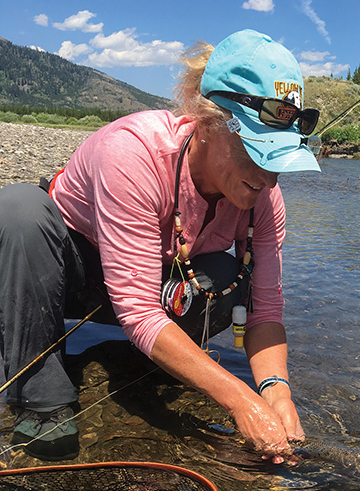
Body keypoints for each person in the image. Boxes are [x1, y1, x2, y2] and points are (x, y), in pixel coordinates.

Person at [0, 29, 322, 462]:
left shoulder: (264, 199)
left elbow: (266, 309)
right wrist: (238, 399)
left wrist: (276, 393)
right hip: (65, 276)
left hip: (155, 275)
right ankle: (40, 400)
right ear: (208, 120)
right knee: (17, 210)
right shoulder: (132, 151)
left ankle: (162, 364)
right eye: (256, 152)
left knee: (229, 277)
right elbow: (136, 309)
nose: (269, 178)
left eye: (279, 159)